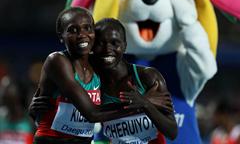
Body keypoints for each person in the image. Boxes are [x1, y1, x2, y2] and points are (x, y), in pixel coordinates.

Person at [30, 12, 177, 143]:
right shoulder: (94, 75)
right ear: (93, 46)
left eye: (115, 43)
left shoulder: (147, 77)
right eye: (100, 44)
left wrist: (145, 104)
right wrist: (142, 103)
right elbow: (92, 113)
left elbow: (172, 132)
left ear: (125, 46)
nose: (107, 49)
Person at [0, 76, 34, 144]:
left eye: (7, 88)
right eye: (2, 88)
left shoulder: (30, 122)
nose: (3, 92)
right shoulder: (1, 117)